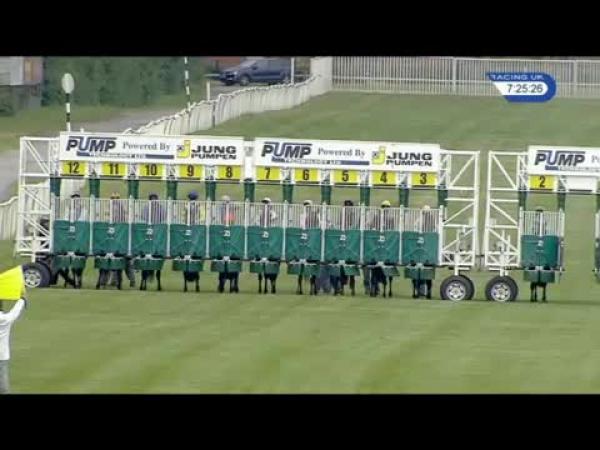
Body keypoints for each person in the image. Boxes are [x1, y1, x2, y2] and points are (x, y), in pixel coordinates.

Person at [0, 266, 28, 395]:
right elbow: (15, 312)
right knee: (3, 388)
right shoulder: (5, 319)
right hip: (2, 356)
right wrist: (22, 299)